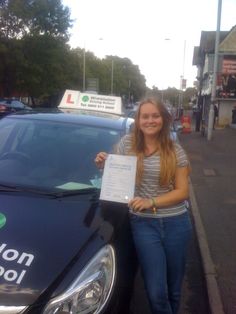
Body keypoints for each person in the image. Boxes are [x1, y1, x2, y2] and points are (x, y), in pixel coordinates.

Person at [95, 97, 192, 314]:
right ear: (138, 120)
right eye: (145, 116)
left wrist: (151, 201)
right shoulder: (126, 144)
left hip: (177, 223)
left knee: (174, 290)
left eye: (155, 116)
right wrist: (104, 165)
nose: (150, 120)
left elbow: (182, 191)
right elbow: (118, 176)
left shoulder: (176, 151)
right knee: (157, 292)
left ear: (164, 119)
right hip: (144, 225)